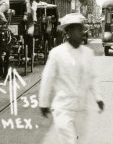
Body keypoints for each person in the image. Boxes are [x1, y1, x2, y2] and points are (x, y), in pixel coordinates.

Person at [39, 13, 104, 144]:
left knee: (79, 140)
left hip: (81, 109)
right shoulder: (57, 53)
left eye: (81, 29)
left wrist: (98, 97)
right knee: (70, 141)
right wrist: (43, 102)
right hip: (63, 109)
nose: (82, 33)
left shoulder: (88, 53)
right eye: (77, 29)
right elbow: (47, 78)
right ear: (68, 32)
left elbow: (92, 77)